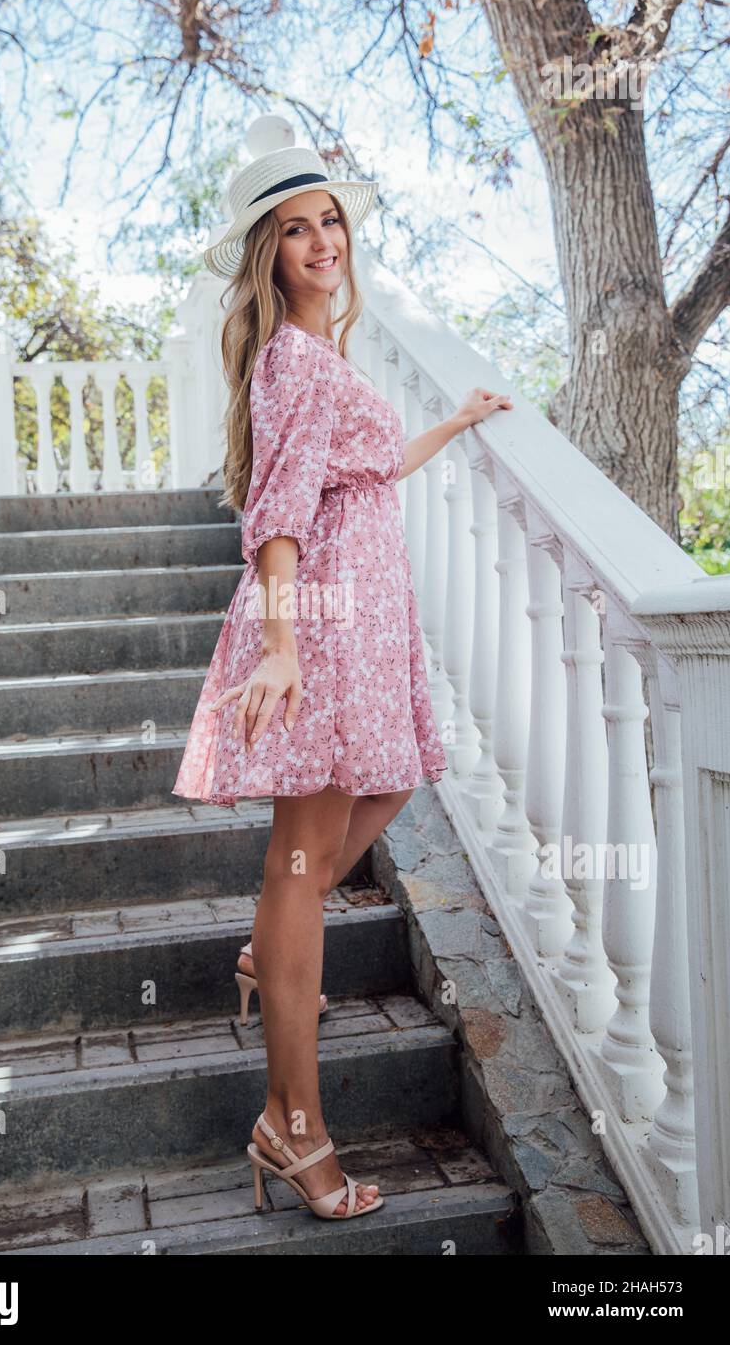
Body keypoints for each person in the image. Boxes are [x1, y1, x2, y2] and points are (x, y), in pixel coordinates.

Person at [172, 115, 512, 1220]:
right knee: (300, 867)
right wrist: (279, 645)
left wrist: (454, 422)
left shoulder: (323, 358)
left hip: (359, 619)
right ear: (267, 254)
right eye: (297, 229)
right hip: (315, 621)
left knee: (377, 799)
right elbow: (275, 510)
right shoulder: (286, 358)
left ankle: (269, 953)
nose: (323, 241)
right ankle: (296, 1131)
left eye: (332, 222)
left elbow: (364, 465)